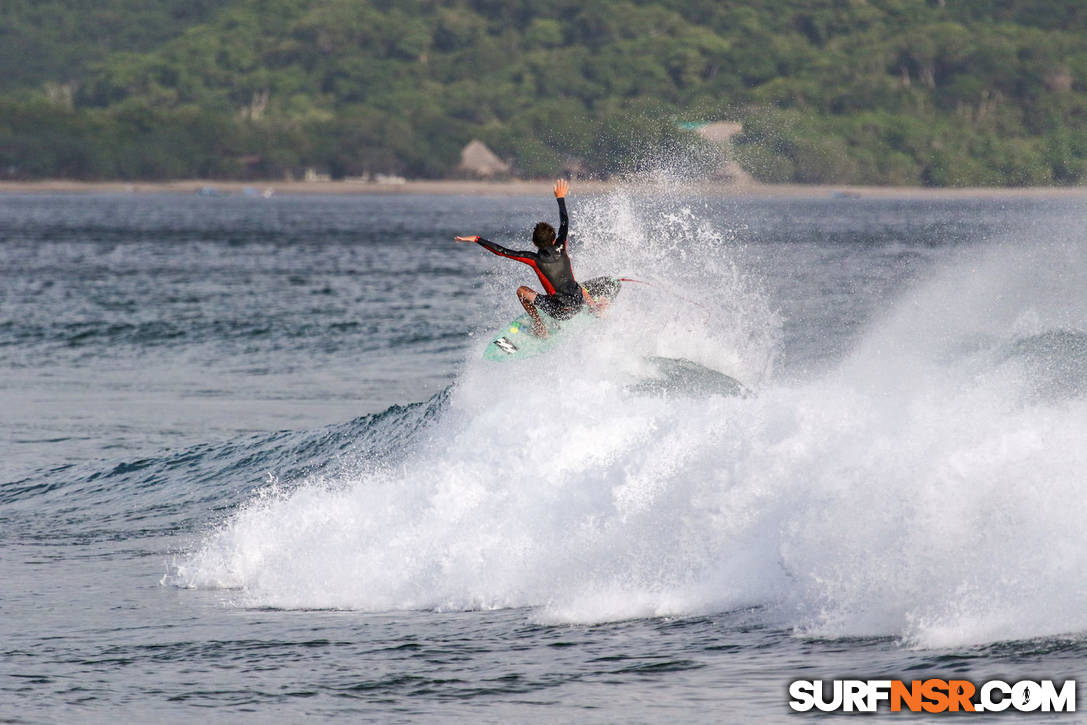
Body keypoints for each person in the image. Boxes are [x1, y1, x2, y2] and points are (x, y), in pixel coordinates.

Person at [455, 179, 600, 337]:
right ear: (553, 239)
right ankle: (594, 308)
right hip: (579, 304)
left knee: (521, 291)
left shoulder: (534, 259)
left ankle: (540, 327)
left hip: (559, 312)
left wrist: (477, 239)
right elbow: (565, 222)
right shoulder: (562, 246)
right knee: (575, 284)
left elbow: (502, 251)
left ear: (534, 243)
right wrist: (560, 198)